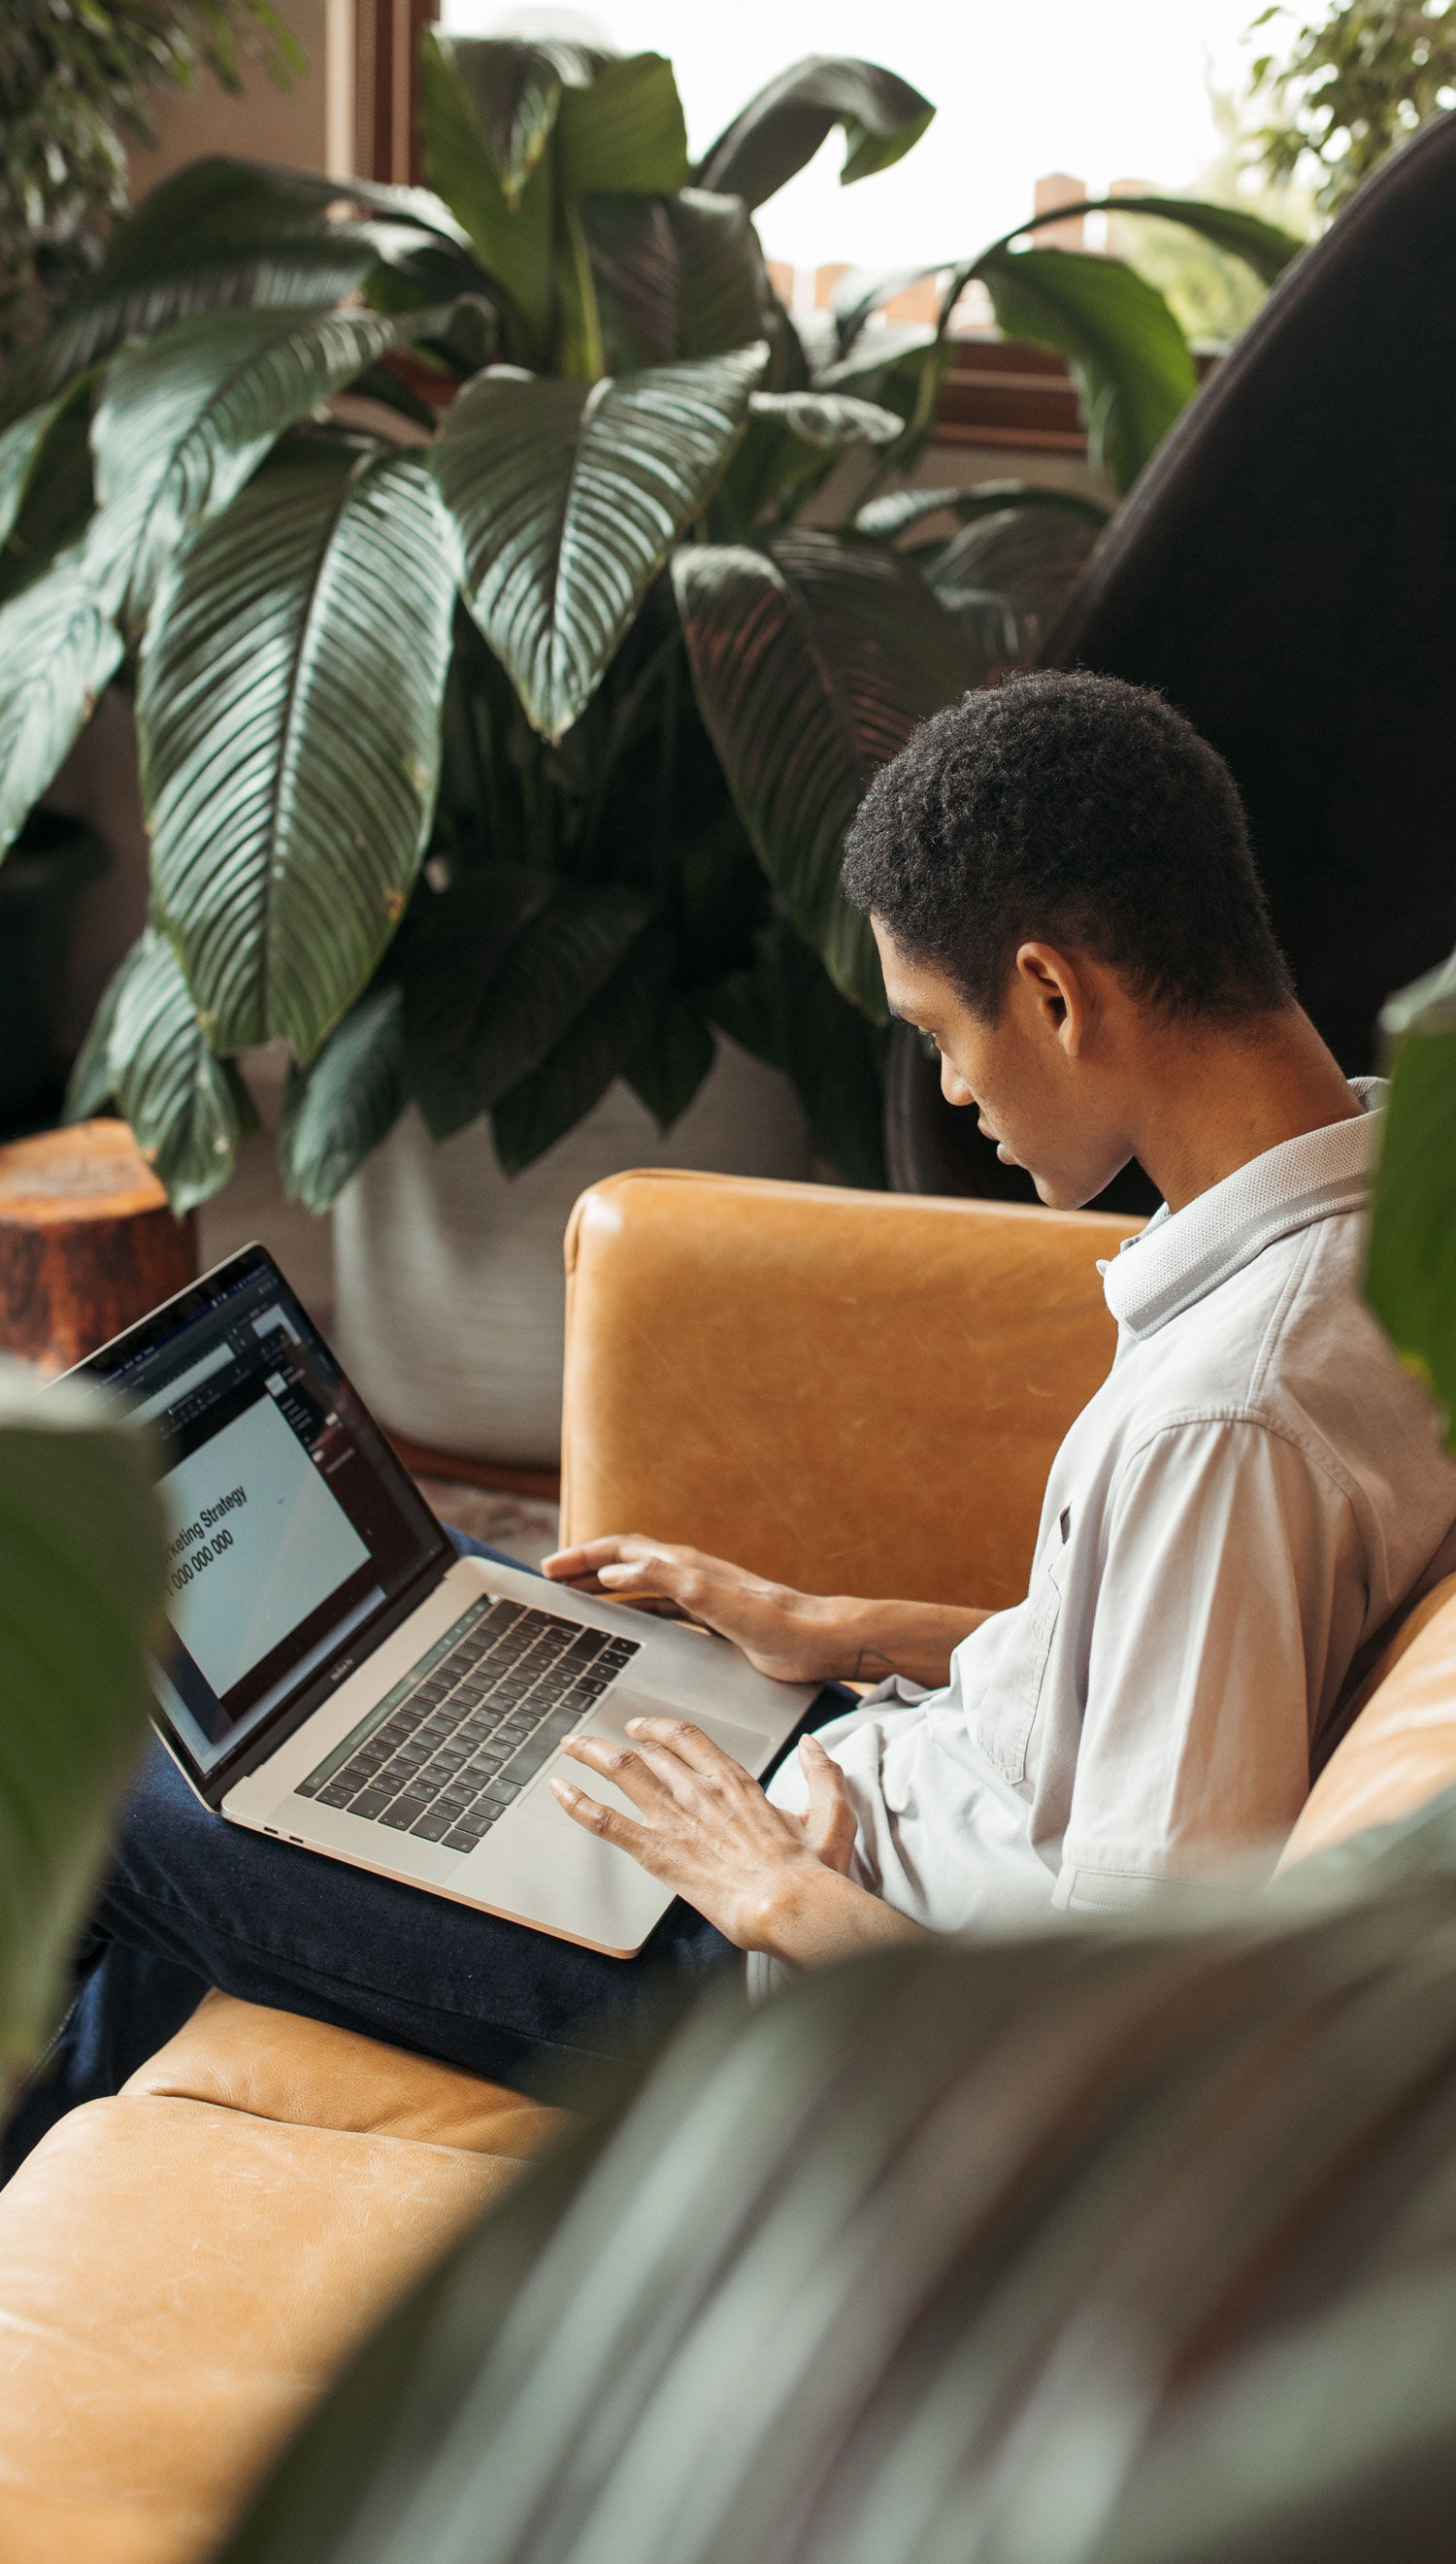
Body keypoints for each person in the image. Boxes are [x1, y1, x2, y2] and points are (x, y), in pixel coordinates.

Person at [42, 672, 1456, 2121]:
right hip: (854, 1778)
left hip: (769, 1968)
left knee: (104, 1769)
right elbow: (1167, 1662)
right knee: (428, 1626)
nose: (953, 1087)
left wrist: (765, 1886)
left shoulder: (1225, 1423)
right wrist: (836, 1626)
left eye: (934, 1033)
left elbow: (1110, 2033)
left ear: (1049, 990)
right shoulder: (1391, 1210)